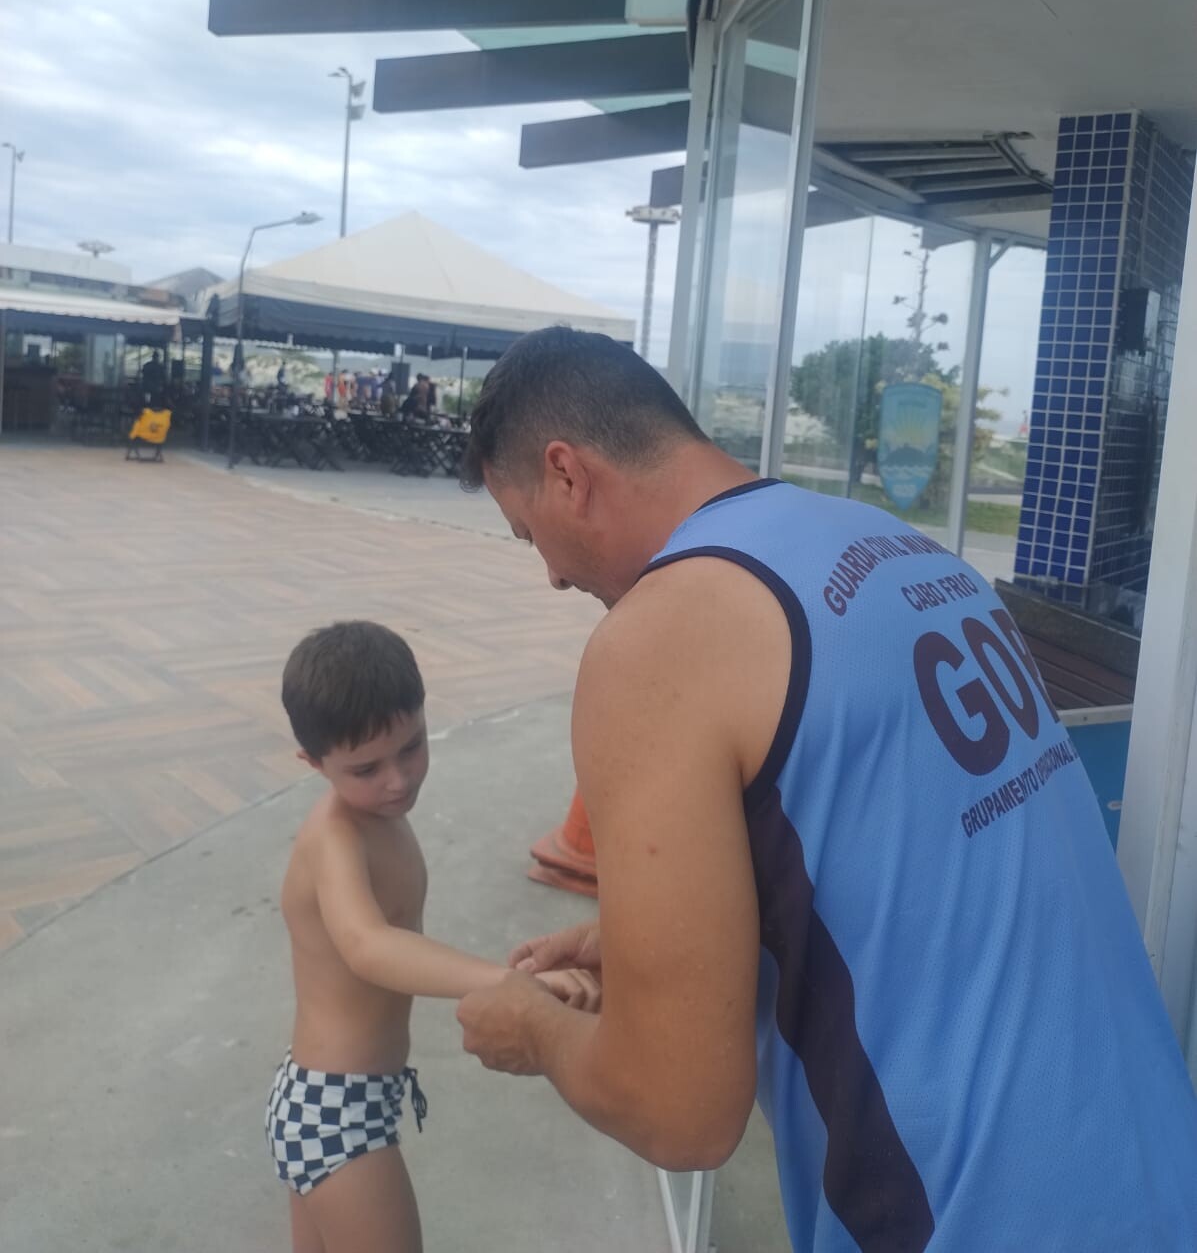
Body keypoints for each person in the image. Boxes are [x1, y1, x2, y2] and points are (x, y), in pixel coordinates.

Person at [453, 327, 1197, 1252]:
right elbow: (920, 869)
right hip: (1155, 1172)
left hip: (974, 1219)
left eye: (530, 534)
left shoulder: (660, 636)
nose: (552, 575)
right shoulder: (905, 552)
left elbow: (678, 1110)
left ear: (566, 473)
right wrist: (666, 948)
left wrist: (532, 1032)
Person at [267, 619, 598, 1253]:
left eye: (412, 746)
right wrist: (510, 982)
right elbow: (368, 946)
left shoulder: (377, 813)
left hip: (326, 1101)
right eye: (366, 768)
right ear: (312, 763)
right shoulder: (335, 837)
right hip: (335, 1117)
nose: (398, 779)